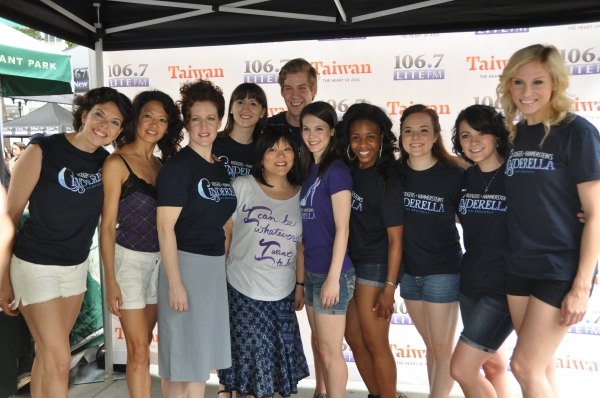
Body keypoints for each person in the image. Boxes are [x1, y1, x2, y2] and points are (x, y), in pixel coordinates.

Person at [0, 87, 132, 398]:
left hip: (75, 269)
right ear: (85, 114)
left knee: (48, 356)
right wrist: (3, 277)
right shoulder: (43, 149)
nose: (105, 125)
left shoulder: (108, 162)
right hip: (34, 266)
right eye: (100, 114)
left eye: (115, 122)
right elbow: (11, 216)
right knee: (61, 361)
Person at [497, 44, 600, 398]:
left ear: (555, 83)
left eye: (537, 82)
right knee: (541, 366)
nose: (527, 93)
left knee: (524, 366)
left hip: (559, 267)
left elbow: (596, 213)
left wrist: (582, 286)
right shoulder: (514, 135)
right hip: (519, 264)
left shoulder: (578, 132)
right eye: (518, 82)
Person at [156, 79, 237, 398]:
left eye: (211, 118)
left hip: (213, 269)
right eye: (196, 119)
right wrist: (175, 284)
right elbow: (165, 228)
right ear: (186, 122)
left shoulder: (218, 167)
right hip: (185, 268)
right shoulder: (179, 168)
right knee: (186, 362)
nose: (204, 126)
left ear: (220, 121)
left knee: (196, 360)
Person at [100, 90, 183, 398]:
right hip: (128, 263)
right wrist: (110, 280)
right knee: (136, 351)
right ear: (136, 117)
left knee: (145, 343)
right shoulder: (116, 163)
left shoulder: (163, 166)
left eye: (162, 119)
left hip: (160, 264)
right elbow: (107, 226)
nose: (154, 124)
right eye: (148, 115)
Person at [218, 125, 309, 398]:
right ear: (260, 155)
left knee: (273, 376)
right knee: (247, 374)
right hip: (242, 290)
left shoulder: (302, 194)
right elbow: (225, 234)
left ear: (295, 155)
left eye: (287, 149)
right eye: (272, 149)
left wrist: (300, 285)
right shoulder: (243, 186)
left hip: (281, 292)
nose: (280, 155)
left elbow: (301, 247)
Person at [398, 104, 464, 398]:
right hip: (409, 274)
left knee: (441, 349)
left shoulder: (454, 174)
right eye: (408, 131)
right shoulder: (393, 173)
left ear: (436, 135)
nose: (416, 137)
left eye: (424, 130)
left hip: (443, 271)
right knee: (433, 348)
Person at [339, 103, 404, 398]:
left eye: (370, 137)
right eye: (356, 137)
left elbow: (396, 240)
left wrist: (390, 288)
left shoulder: (386, 178)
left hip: (376, 266)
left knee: (376, 342)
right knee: (353, 336)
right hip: (352, 263)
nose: (363, 144)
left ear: (381, 140)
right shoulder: (349, 172)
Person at [448, 105, 514, 398]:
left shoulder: (517, 176)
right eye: (465, 135)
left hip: (503, 289)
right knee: (493, 366)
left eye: (482, 133)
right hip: (470, 283)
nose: (474, 142)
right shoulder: (464, 178)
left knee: (461, 370)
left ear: (496, 135)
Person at [299, 101, 354, 398]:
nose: (312, 135)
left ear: (332, 132)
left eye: (319, 128)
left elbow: (343, 228)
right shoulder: (310, 170)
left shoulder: (337, 171)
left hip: (332, 274)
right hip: (312, 271)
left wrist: (333, 278)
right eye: (306, 129)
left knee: (331, 352)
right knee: (320, 346)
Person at [213, 82, 268, 180]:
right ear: (231, 108)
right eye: (240, 102)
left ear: (262, 112)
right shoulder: (212, 142)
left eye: (253, 104)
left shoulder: (264, 151)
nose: (246, 108)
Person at [269, 58, 318, 151]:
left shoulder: (329, 130)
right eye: (288, 88)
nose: (295, 95)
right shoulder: (268, 128)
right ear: (282, 92)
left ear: (314, 90)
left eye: (301, 88)